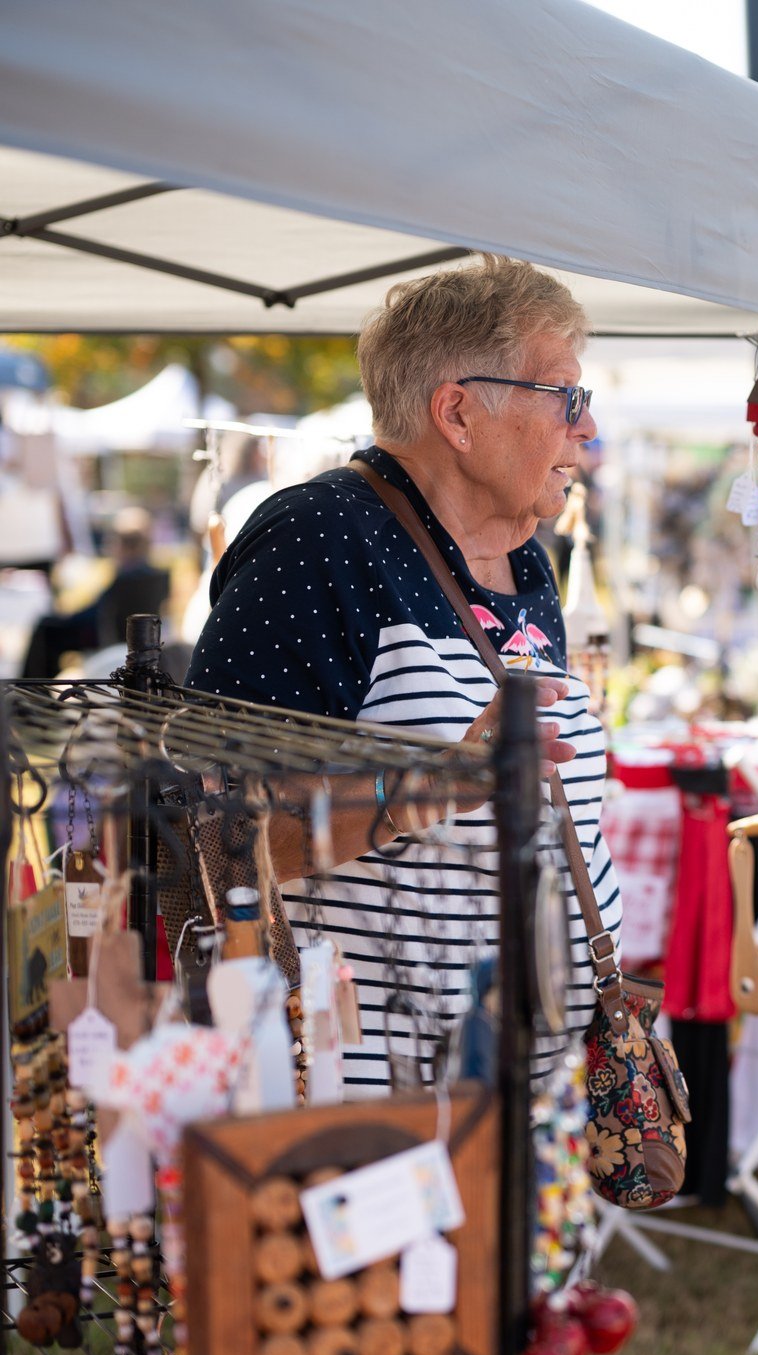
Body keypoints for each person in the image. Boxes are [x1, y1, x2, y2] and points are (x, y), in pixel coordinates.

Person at [187, 256, 619, 1092]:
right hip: (372, 1106)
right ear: (458, 412)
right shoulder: (320, 538)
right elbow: (217, 844)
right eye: (566, 397)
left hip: (519, 1093)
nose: (586, 430)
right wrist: (424, 788)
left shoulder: (524, 559)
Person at [21, 507, 171, 678]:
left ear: (124, 545)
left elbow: (97, 613)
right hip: (134, 639)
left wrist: (65, 618)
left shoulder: (128, 578)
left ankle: (33, 691)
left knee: (46, 628)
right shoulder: (156, 576)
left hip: (109, 638)